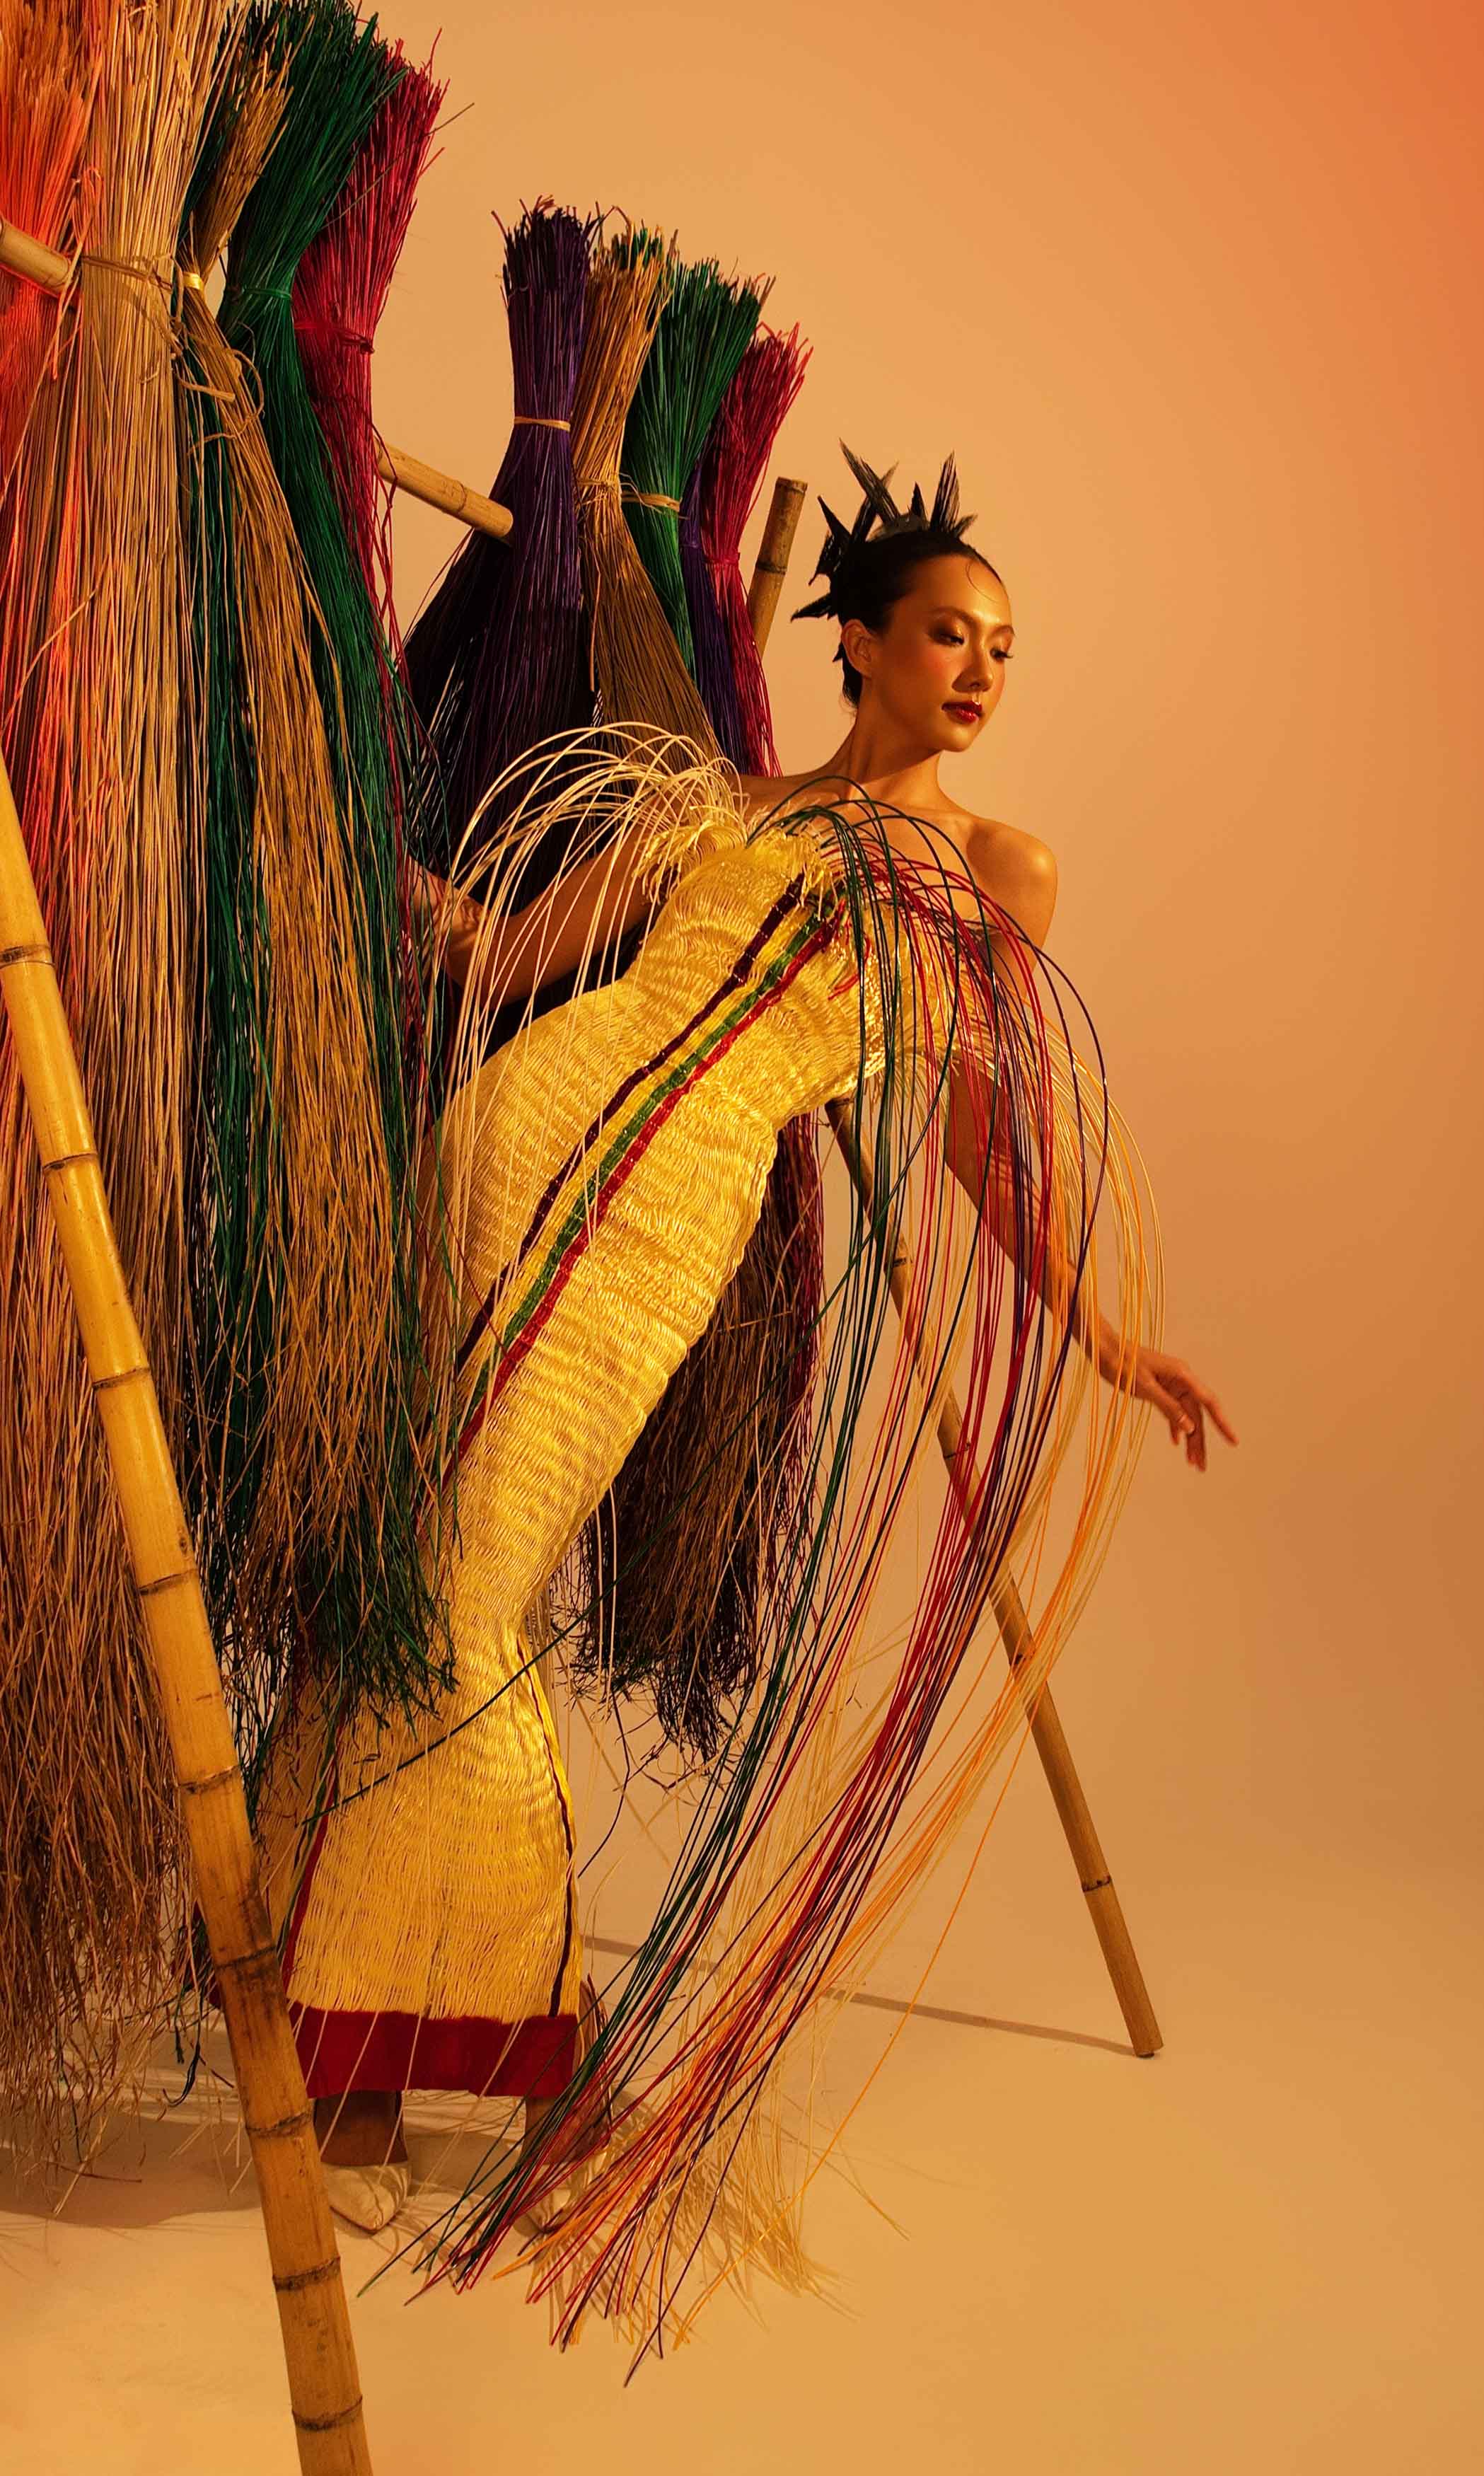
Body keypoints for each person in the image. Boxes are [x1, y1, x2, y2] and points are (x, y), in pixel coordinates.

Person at [260, 453, 1232, 2347]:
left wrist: (1101, 1333)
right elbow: (494, 953)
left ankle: (451, 2035)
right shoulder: (713, 802)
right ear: (857, 645)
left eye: (1003, 648)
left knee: (468, 1581)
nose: (981, 671)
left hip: (670, 1212)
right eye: (946, 634)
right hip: (518, 1137)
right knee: (419, 1561)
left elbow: (971, 1125)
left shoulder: (995, 872)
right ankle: (367, 2043)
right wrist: (327, 820)